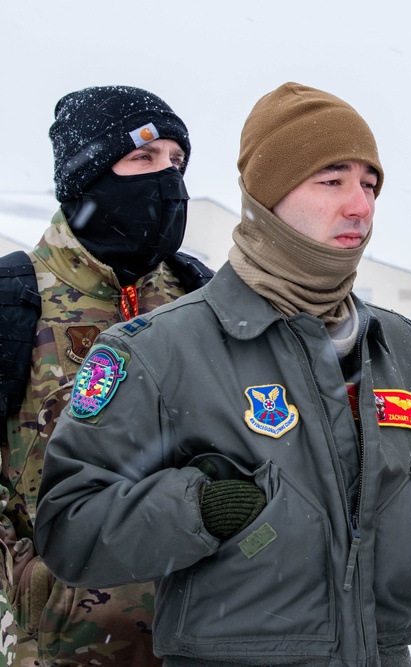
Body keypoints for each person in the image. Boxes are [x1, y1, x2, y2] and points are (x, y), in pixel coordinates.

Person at [33, 82, 411, 667]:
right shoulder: (159, 350)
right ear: (268, 197)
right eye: (331, 181)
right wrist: (201, 511)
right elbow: (70, 529)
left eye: (369, 184)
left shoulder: (401, 347)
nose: (359, 205)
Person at [0, 85, 211, 666]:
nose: (167, 179)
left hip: (200, 640)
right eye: (143, 158)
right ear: (86, 176)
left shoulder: (202, 298)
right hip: (57, 647)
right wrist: (33, 587)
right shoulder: (14, 302)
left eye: (177, 161)